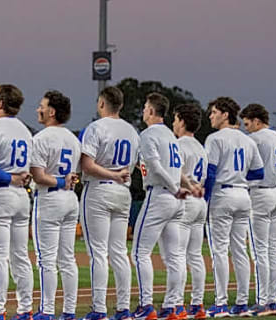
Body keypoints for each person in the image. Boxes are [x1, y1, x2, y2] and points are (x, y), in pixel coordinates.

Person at [0, 84, 35, 320]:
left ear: (1, 102)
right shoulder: (26, 131)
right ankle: (25, 310)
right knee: (20, 256)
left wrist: (8, 177)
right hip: (22, 196)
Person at [203, 97, 264, 318]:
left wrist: (205, 199)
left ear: (225, 115)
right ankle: (240, 303)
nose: (211, 115)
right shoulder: (248, 140)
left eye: (214, 112)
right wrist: (238, 176)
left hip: (223, 193)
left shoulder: (215, 138)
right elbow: (259, 173)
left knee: (219, 250)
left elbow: (209, 172)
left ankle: (220, 303)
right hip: (242, 193)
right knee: (240, 250)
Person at [79, 87, 137, 320]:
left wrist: (111, 174)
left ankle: (99, 308)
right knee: (120, 252)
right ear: (120, 105)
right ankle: (123, 308)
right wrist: (117, 176)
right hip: (123, 191)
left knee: (99, 253)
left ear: (102, 104)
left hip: (100, 190)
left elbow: (87, 164)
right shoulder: (132, 131)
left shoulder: (96, 127)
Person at [131, 93, 189, 320]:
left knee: (139, 252)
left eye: (146, 108)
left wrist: (174, 187)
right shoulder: (171, 136)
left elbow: (154, 167)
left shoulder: (148, 134)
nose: (144, 111)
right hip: (175, 200)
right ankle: (173, 306)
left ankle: (146, 305)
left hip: (160, 195)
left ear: (152, 111)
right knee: (174, 256)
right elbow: (162, 167)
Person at [30, 90, 81, 320]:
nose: (38, 109)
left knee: (47, 259)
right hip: (71, 199)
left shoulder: (41, 138)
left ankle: (47, 311)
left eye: (41, 106)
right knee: (67, 258)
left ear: (52, 111)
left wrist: (58, 180)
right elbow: (77, 173)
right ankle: (69, 311)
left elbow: (39, 176)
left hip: (50, 197)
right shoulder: (73, 138)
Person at [238, 104, 276, 316]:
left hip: (260, 194)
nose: (246, 127)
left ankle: (263, 301)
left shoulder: (256, 139)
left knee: (260, 252)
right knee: (272, 249)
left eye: (248, 123)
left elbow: (247, 169)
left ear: (257, 121)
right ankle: (272, 299)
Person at [172, 104, 209, 319]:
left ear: (183, 121)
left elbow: (174, 173)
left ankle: (177, 304)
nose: (174, 123)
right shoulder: (200, 147)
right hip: (200, 201)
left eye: (176, 119)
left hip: (186, 199)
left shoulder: (178, 145)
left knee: (177, 255)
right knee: (195, 255)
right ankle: (198, 303)